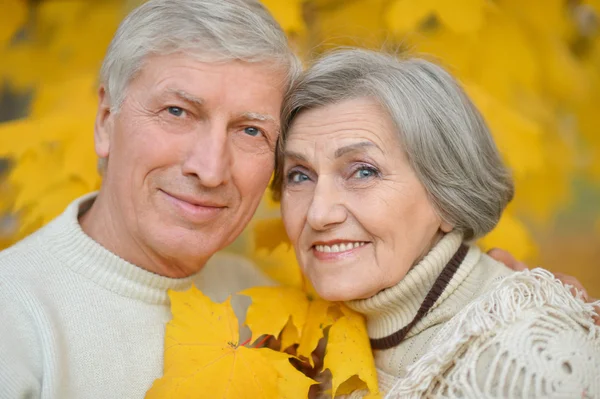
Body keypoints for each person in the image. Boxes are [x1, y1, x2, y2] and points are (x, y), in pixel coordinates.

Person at [0, 0, 300, 397]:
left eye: (249, 132)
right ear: (106, 121)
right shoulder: (15, 316)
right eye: (177, 112)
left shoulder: (264, 306)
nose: (210, 170)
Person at [273, 48, 600, 398]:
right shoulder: (308, 350)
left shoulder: (524, 361)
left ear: (445, 195)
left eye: (363, 171)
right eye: (299, 176)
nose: (319, 214)